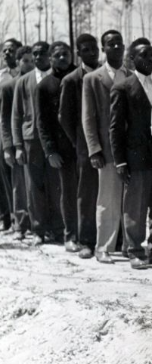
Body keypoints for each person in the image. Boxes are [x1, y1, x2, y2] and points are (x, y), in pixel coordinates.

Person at [110, 38, 152, 270]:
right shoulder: (123, 87)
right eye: (144, 55)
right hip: (135, 158)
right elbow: (115, 127)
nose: (150, 59)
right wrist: (120, 161)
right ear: (132, 59)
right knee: (134, 206)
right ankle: (134, 249)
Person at [82, 30, 132, 263]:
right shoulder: (92, 79)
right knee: (107, 200)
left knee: (130, 201)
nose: (116, 48)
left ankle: (129, 246)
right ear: (103, 49)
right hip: (107, 151)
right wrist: (94, 149)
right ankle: (103, 247)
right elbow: (88, 118)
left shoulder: (131, 76)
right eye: (111, 44)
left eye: (119, 43)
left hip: (130, 151)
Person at [12, 41, 64, 246]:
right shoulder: (23, 81)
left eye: (42, 53)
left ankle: (58, 229)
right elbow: (16, 115)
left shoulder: (58, 79)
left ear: (49, 56)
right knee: (34, 186)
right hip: (31, 140)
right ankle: (38, 230)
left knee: (56, 185)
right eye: (34, 54)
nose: (38, 57)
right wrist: (17, 146)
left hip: (52, 141)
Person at [59, 34, 101, 259]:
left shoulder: (107, 74)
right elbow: (64, 118)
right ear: (79, 53)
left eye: (94, 48)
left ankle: (114, 238)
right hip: (84, 145)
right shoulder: (72, 80)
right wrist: (78, 142)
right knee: (86, 193)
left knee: (110, 192)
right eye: (86, 50)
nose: (92, 53)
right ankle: (86, 240)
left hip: (108, 144)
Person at [36, 41, 78, 252]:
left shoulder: (81, 78)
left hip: (83, 145)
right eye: (58, 55)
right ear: (51, 58)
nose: (63, 58)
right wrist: (50, 150)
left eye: (66, 54)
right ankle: (70, 235)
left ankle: (89, 234)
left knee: (87, 193)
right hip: (62, 149)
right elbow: (42, 122)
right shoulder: (45, 86)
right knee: (68, 193)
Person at [1, 44, 32, 240]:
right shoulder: (9, 85)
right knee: (18, 184)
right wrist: (7, 146)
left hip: (34, 140)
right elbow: (5, 119)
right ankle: (19, 224)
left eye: (31, 60)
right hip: (16, 141)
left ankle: (38, 224)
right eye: (25, 61)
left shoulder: (38, 81)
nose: (29, 64)